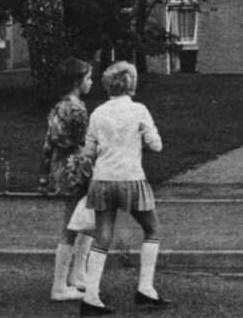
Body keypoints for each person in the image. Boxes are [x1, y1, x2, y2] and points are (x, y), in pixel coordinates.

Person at [80, 61, 169, 316]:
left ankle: (91, 295)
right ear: (131, 83)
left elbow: (89, 152)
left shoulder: (97, 113)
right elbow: (156, 146)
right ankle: (145, 288)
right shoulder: (139, 110)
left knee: (103, 235)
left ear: (108, 84)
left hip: (102, 179)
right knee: (152, 229)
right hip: (131, 178)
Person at [38, 57, 96, 302]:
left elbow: (48, 143)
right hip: (76, 170)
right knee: (74, 225)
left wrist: (44, 174)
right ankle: (61, 285)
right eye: (88, 78)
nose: (91, 83)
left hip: (60, 168)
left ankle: (76, 275)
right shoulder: (77, 108)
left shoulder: (58, 106)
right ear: (77, 81)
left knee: (81, 221)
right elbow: (84, 143)